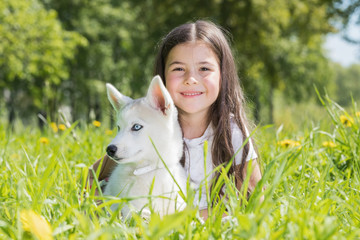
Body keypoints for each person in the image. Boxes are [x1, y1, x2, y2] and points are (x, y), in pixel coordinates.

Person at [88, 20, 262, 219]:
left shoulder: (231, 132)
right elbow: (92, 177)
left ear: (223, 74)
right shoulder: (153, 127)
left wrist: (183, 222)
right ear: (162, 77)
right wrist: (102, 207)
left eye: (204, 69)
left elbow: (255, 198)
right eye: (179, 69)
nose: (191, 79)